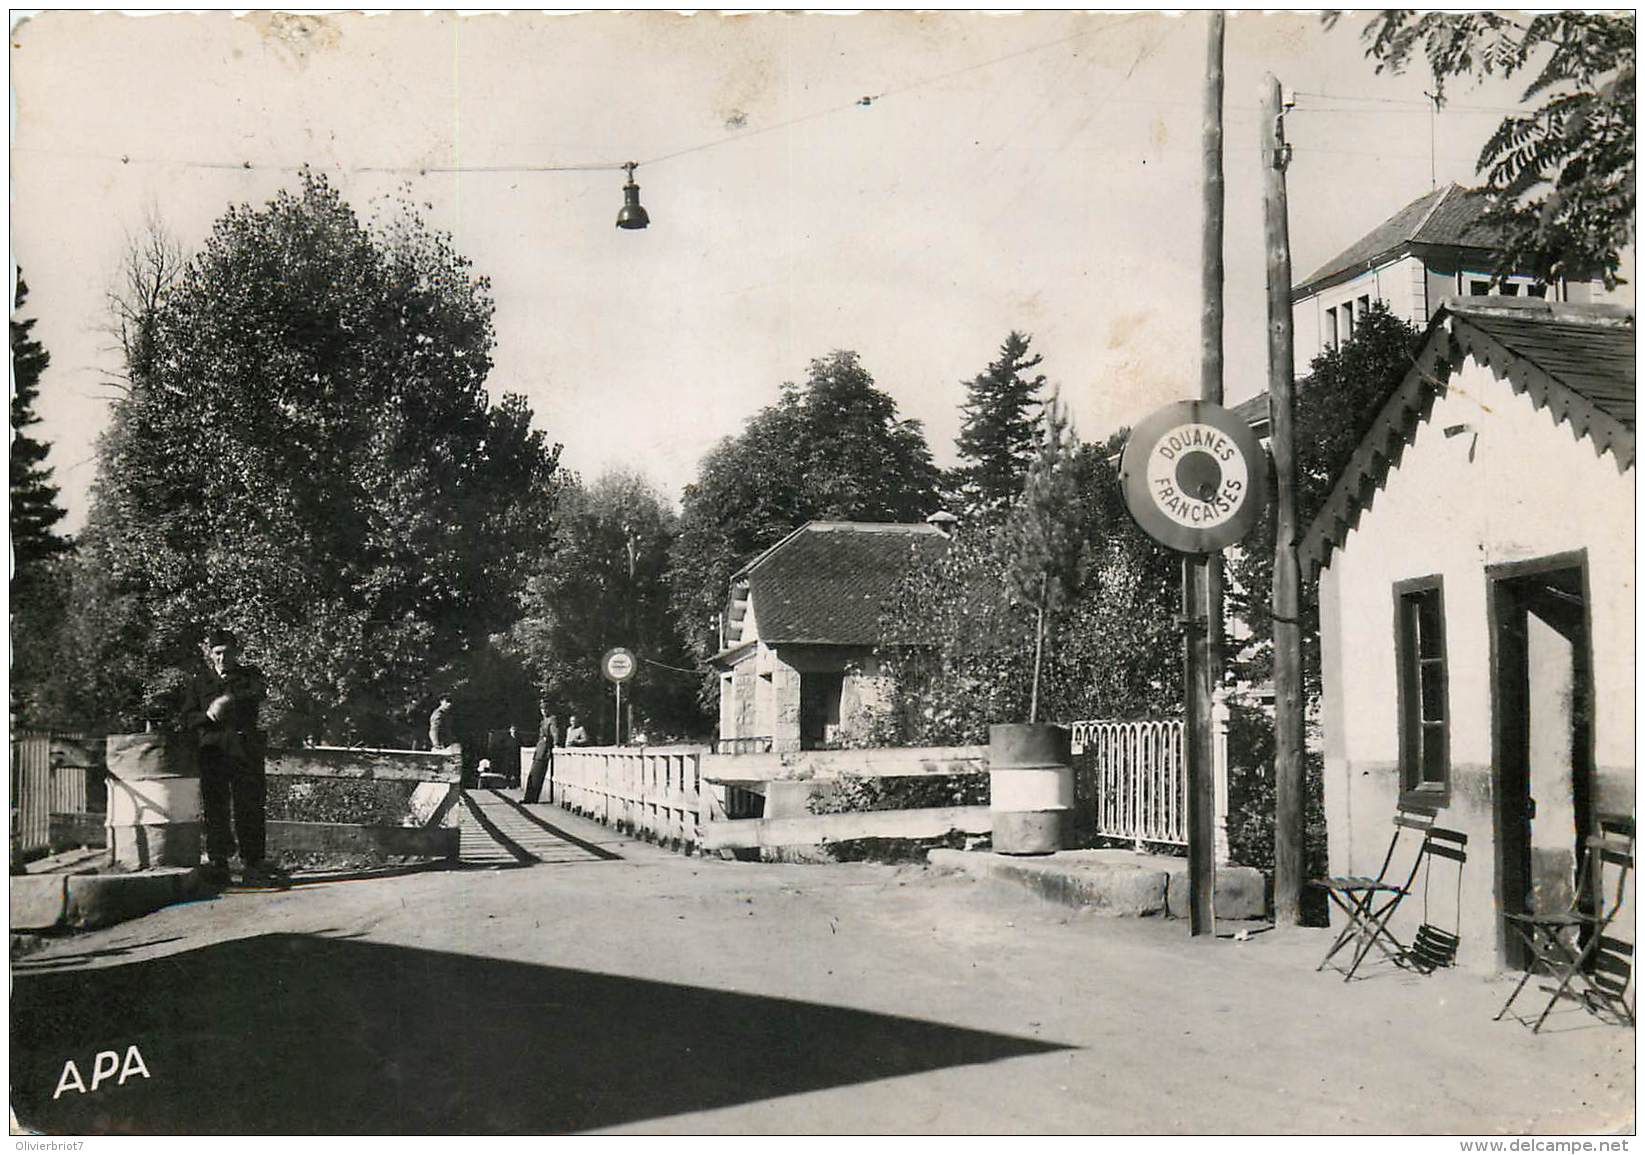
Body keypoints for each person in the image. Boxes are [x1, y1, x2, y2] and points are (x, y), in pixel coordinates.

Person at [178, 628, 286, 887]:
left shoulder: (250, 676)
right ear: (210, 654)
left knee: (249, 807)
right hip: (213, 754)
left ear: (236, 653)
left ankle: (253, 864)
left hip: (245, 752)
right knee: (216, 809)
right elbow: (187, 718)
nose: (222, 658)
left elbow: (257, 694)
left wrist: (226, 700)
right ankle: (219, 863)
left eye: (227, 653)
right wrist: (207, 715)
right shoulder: (199, 682)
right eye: (217, 653)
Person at [523, 706, 559, 804]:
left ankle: (533, 798)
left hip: (544, 750)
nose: (543, 711)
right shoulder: (543, 721)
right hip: (539, 749)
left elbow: (554, 733)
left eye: (545, 709)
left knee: (537, 775)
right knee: (532, 775)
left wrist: (555, 744)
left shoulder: (552, 719)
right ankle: (528, 797)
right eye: (542, 709)